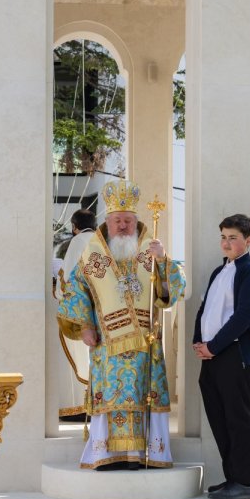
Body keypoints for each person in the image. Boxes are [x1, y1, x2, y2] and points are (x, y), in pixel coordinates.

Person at [57, 180, 186, 470]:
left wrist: (163, 261)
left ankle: (141, 455)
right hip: (107, 343)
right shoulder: (93, 253)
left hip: (145, 342)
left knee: (142, 395)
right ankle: (106, 455)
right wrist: (85, 326)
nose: (123, 226)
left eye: (128, 220)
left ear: (136, 221)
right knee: (110, 397)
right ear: (108, 222)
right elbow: (75, 290)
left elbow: (173, 290)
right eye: (117, 221)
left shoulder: (151, 249)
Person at [193, 214, 250, 499]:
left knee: (238, 417)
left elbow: (245, 316)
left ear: (248, 241)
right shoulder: (219, 271)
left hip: (238, 354)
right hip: (213, 355)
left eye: (233, 237)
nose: (226, 243)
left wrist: (213, 346)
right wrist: (199, 342)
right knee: (219, 417)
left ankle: (246, 482)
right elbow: (206, 309)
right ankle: (232, 478)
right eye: (223, 237)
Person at [55, 208, 98, 421]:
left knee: (77, 357)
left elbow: (68, 279)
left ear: (74, 227)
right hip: (101, 309)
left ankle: (80, 408)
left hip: (80, 312)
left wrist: (58, 291)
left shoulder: (78, 241)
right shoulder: (102, 240)